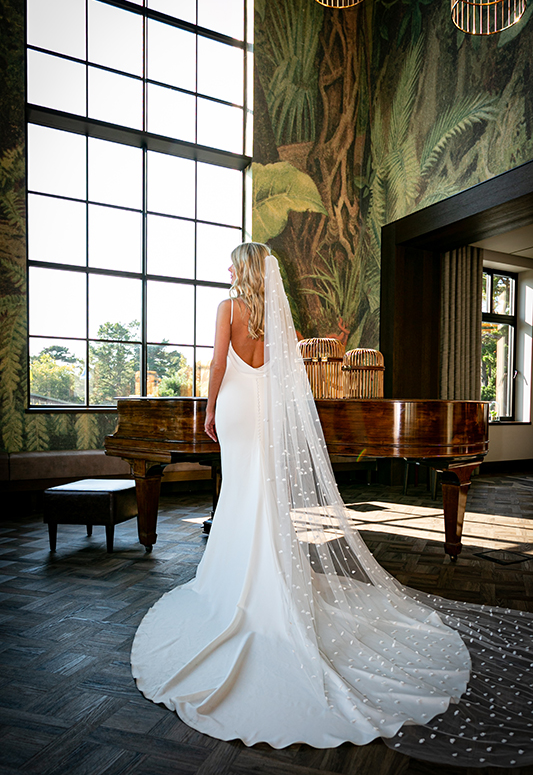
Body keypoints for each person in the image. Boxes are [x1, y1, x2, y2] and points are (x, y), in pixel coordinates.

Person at [132, 243, 533, 765]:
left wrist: (209, 412)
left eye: (233, 263)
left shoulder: (227, 309)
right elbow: (291, 366)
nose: (228, 270)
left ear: (246, 269)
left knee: (240, 489)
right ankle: (267, 570)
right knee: (262, 492)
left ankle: (239, 580)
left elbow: (216, 364)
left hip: (233, 408)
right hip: (265, 411)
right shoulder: (277, 317)